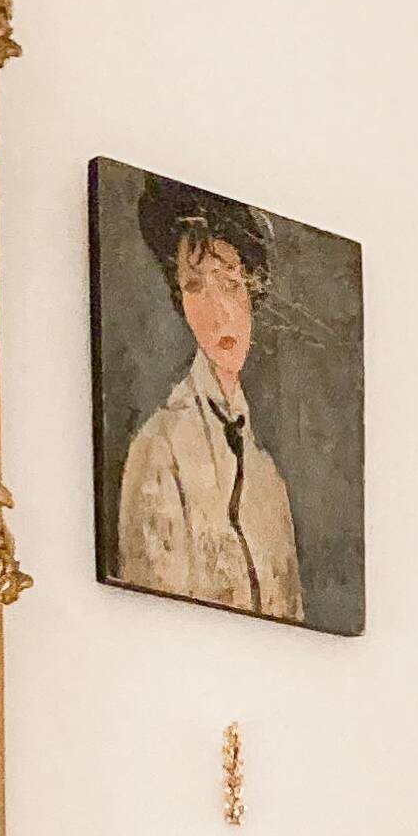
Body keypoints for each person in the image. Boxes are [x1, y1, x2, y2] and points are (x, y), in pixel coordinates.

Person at [115, 179, 304, 621]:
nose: (218, 312)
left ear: (253, 292)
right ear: (180, 301)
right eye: (196, 287)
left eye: (230, 284)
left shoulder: (269, 479)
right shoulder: (160, 450)